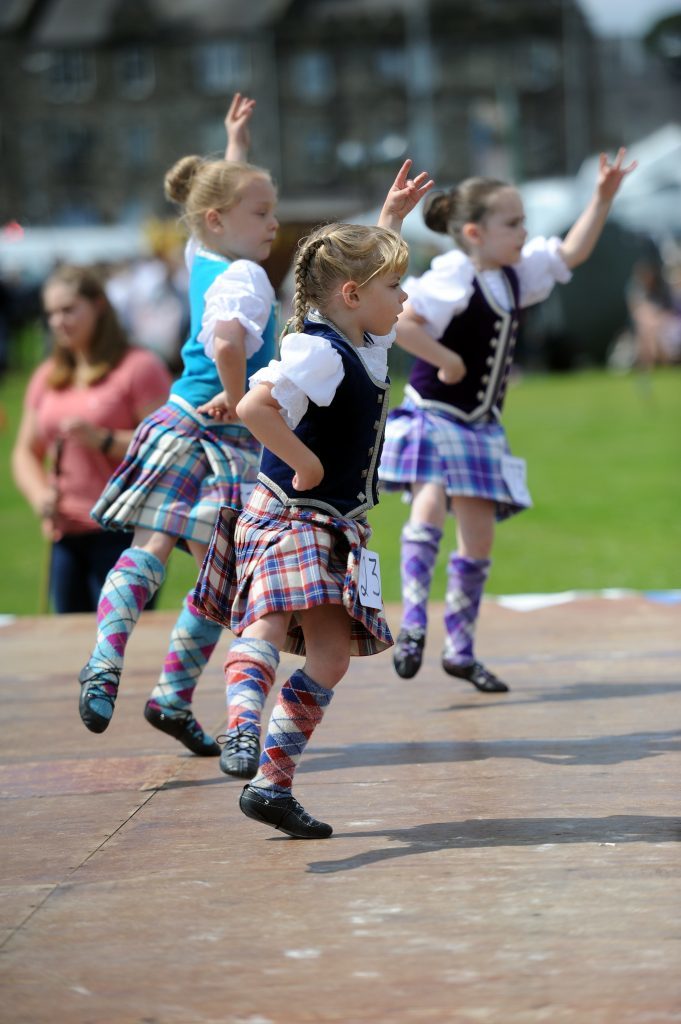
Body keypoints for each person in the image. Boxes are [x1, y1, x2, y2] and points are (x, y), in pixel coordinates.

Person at [194, 159, 433, 838]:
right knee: (267, 619)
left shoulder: (363, 341)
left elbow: (367, 291)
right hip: (286, 511)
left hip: (336, 525)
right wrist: (302, 462)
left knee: (329, 655)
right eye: (396, 286)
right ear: (353, 295)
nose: (405, 299)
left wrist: (389, 220)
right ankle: (240, 728)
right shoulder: (319, 352)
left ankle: (271, 784)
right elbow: (254, 405)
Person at [379, 148, 637, 691]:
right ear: (473, 232)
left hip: (480, 423)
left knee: (478, 538)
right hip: (437, 413)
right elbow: (402, 321)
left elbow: (570, 252)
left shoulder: (519, 274)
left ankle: (460, 647)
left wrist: (602, 197)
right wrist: (444, 358)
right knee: (429, 499)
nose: (525, 231)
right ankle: (413, 623)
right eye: (513, 223)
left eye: (524, 222)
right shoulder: (453, 275)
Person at [76, 92, 279, 757]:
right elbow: (227, 341)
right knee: (218, 580)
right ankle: (170, 693)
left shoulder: (202, 254)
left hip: (173, 419)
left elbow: (215, 206)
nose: (273, 223)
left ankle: (106, 658)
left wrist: (234, 148)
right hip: (222, 432)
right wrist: (235, 393)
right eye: (263, 213)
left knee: (147, 548)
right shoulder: (245, 273)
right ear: (222, 219)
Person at [11, 264, 172, 613]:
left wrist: (103, 440)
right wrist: (40, 497)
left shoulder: (139, 367)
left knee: (119, 647)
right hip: (66, 533)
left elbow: (169, 446)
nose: (57, 322)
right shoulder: (48, 376)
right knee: (68, 646)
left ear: (98, 305)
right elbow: (25, 451)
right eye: (51, 313)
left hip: (127, 533)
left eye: (68, 309)